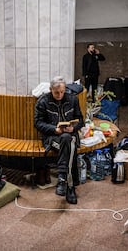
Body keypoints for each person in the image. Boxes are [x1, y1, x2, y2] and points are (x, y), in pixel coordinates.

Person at [34, 76, 84, 204]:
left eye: (62, 91)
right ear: (51, 89)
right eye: (56, 92)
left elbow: (81, 120)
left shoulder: (72, 99)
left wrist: (73, 128)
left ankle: (62, 179)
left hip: (70, 135)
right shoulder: (43, 101)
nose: (60, 95)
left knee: (68, 139)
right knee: (69, 145)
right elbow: (38, 123)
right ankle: (70, 187)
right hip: (52, 138)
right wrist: (53, 129)